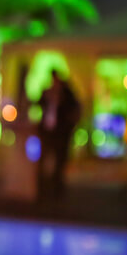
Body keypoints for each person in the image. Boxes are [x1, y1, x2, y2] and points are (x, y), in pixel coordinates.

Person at [37, 70, 81, 200]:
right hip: (47, 131)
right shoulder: (47, 92)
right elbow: (38, 103)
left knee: (60, 160)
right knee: (44, 159)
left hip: (61, 132)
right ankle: (43, 189)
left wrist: (69, 125)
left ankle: (57, 190)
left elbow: (74, 109)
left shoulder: (66, 93)